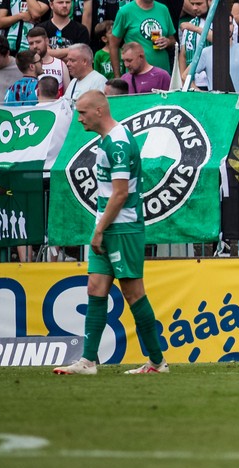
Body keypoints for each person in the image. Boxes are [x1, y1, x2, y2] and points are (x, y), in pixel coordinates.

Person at [52, 91, 169, 375]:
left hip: (123, 227)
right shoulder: (106, 140)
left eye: (83, 113)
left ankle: (157, 362)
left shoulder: (118, 143)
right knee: (95, 287)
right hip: (108, 226)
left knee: (133, 293)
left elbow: (120, 194)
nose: (79, 119)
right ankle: (88, 361)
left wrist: (99, 230)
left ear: (99, 111)